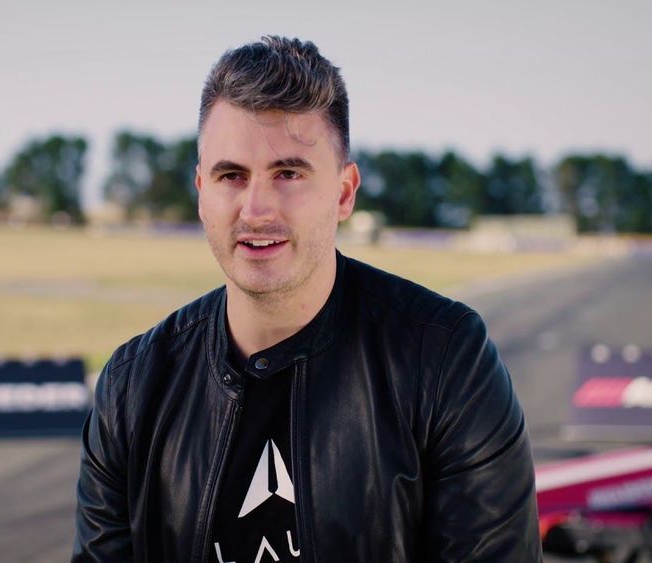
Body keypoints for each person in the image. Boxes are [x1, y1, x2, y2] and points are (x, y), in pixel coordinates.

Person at [73, 36, 541, 562]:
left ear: (344, 192)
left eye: (288, 173)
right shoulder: (133, 386)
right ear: (202, 192)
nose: (256, 209)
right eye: (232, 175)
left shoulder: (445, 360)